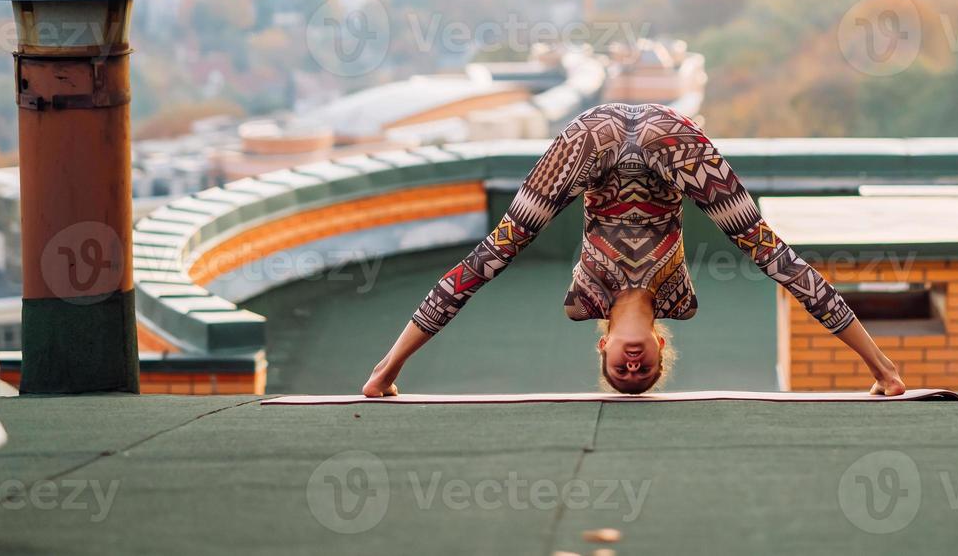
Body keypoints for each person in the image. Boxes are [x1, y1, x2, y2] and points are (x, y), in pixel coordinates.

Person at [363, 102, 905, 396]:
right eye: (642, 374)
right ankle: (884, 363)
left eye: (621, 374)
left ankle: (383, 365)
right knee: (765, 249)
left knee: (500, 249)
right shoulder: (675, 295)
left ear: (601, 350)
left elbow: (474, 272)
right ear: (660, 350)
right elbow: (784, 267)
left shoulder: (587, 296)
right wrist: (881, 367)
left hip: (589, 143)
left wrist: (387, 370)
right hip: (673, 146)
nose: (631, 368)